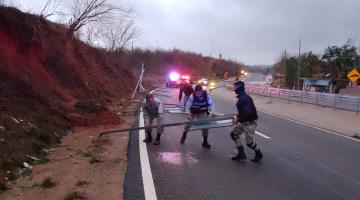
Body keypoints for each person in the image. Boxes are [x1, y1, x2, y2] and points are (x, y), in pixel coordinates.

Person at [230, 80, 263, 162]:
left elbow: (248, 113)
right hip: (243, 122)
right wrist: (237, 117)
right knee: (234, 134)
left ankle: (258, 153)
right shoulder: (241, 97)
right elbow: (243, 112)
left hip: (249, 123)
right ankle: (241, 154)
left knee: (249, 143)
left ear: (239, 88)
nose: (234, 89)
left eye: (235, 87)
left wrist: (238, 119)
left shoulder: (244, 98)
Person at [180, 84, 215, 148]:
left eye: (200, 92)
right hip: (193, 112)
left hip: (202, 111)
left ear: (202, 91)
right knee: (188, 124)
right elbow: (188, 105)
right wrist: (189, 114)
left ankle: (205, 142)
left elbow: (211, 103)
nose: (198, 94)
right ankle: (184, 134)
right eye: (197, 92)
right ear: (195, 91)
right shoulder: (192, 95)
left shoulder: (206, 95)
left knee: (205, 126)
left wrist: (212, 112)